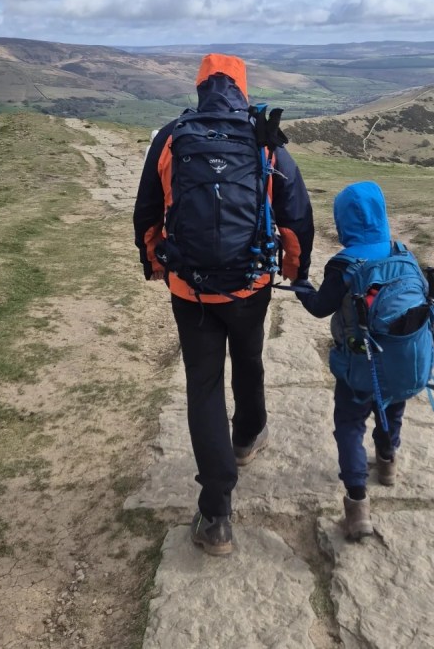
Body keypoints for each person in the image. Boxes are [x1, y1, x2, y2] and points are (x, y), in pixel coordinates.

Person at [133, 53, 314, 555]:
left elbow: (147, 208)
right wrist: (295, 273)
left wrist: (156, 265)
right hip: (249, 284)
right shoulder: (262, 137)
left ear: (200, 88)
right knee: (250, 357)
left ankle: (216, 515)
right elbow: (295, 211)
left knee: (204, 384)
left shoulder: (173, 135)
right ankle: (248, 436)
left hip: (189, 288)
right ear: (241, 87)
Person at [294, 181, 434, 539]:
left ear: (343, 223)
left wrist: (300, 283)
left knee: (349, 425)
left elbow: (318, 308)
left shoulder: (343, 265)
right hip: (406, 368)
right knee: (392, 410)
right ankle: (388, 463)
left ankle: (357, 504)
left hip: (359, 371)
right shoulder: (403, 254)